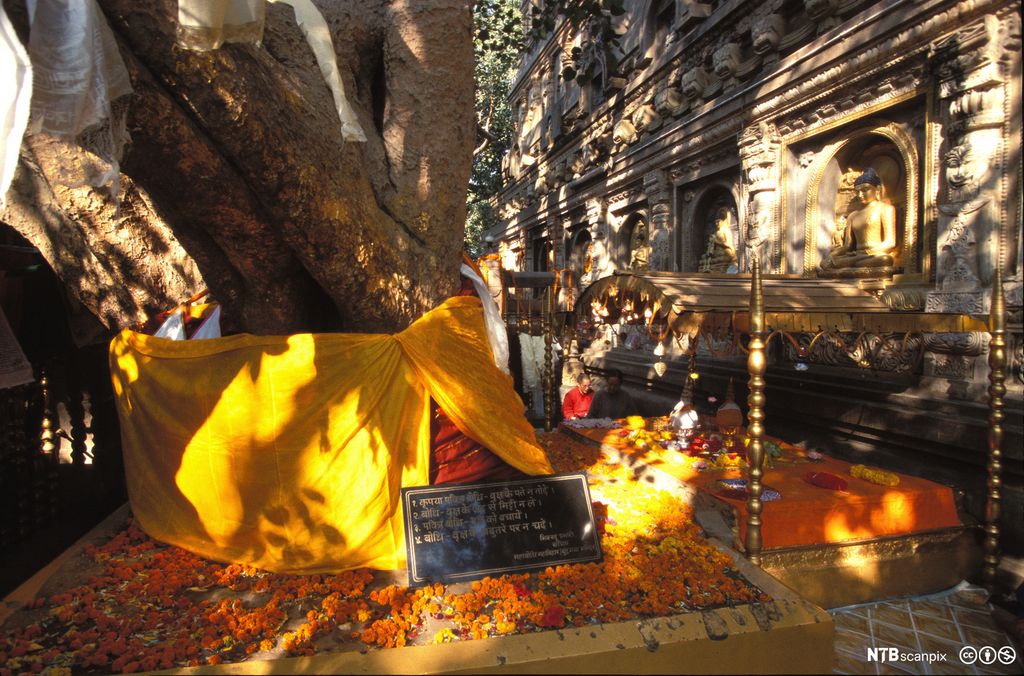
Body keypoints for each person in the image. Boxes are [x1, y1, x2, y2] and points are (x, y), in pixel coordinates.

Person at [818, 168, 896, 275]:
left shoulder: (885, 209)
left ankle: (853, 265)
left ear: (877, 189)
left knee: (885, 260)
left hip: (874, 255)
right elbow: (847, 247)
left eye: (865, 190)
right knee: (824, 263)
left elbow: (890, 242)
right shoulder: (853, 215)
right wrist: (831, 256)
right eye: (857, 191)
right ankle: (854, 264)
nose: (860, 195)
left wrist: (866, 253)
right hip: (856, 256)